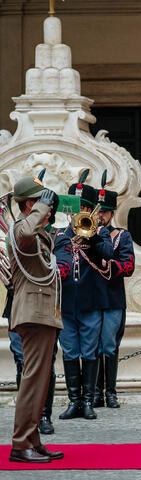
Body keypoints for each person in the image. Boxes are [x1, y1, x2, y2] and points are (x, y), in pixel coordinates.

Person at [7, 173, 63, 463]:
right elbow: (26, 236)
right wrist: (42, 207)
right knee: (33, 380)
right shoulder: (20, 230)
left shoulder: (37, 230)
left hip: (43, 312)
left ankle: (32, 440)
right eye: (41, 203)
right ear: (29, 205)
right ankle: (20, 444)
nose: (49, 208)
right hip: (34, 313)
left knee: (41, 381)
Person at [54, 171, 114, 421]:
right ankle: (74, 401)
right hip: (66, 304)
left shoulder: (99, 234)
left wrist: (95, 234)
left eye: (86, 208)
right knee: (69, 352)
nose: (80, 212)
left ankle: (88, 401)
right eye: (77, 208)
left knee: (90, 352)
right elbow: (57, 263)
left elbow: (109, 253)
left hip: (91, 302)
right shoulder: (60, 235)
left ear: (92, 210)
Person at [91, 171, 135, 409]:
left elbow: (129, 266)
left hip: (112, 298)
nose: (100, 216)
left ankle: (110, 392)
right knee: (92, 345)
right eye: (97, 212)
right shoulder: (86, 234)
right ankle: (95, 392)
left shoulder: (122, 236)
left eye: (104, 212)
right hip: (90, 298)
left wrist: (111, 264)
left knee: (108, 344)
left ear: (111, 213)